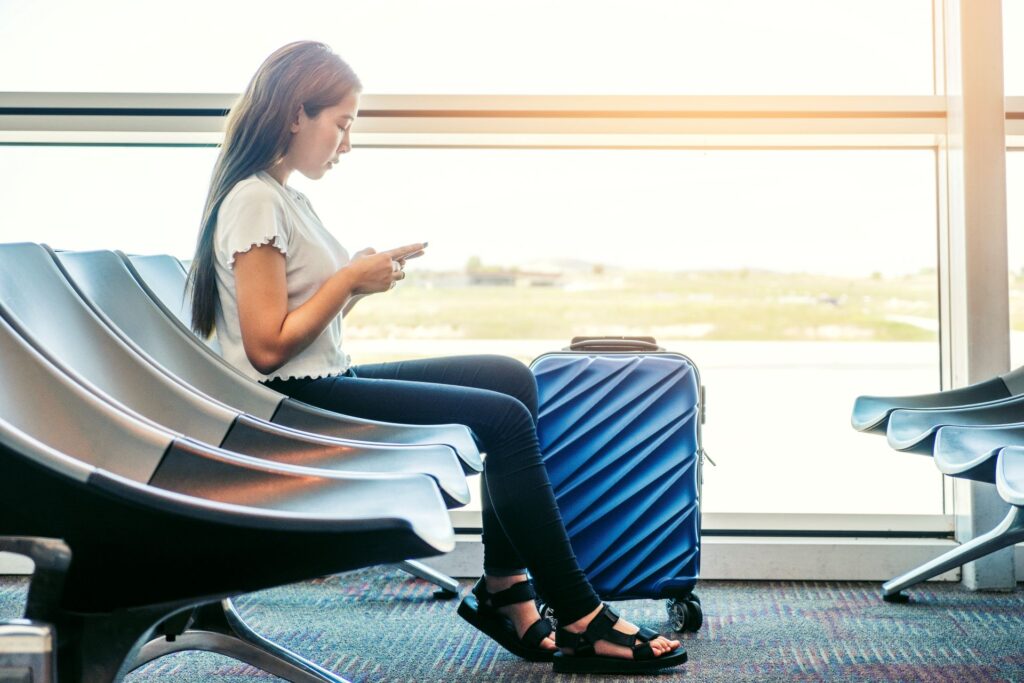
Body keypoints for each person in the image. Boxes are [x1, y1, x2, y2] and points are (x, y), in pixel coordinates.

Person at [186, 40, 685, 675]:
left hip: (318, 379)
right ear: (294, 114)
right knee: (502, 421)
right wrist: (346, 281)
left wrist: (355, 285)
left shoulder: (283, 196)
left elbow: (298, 329)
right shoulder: (254, 200)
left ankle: (505, 587)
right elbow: (265, 349)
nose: (346, 144)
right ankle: (579, 614)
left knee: (508, 378)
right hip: (290, 403)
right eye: (341, 124)